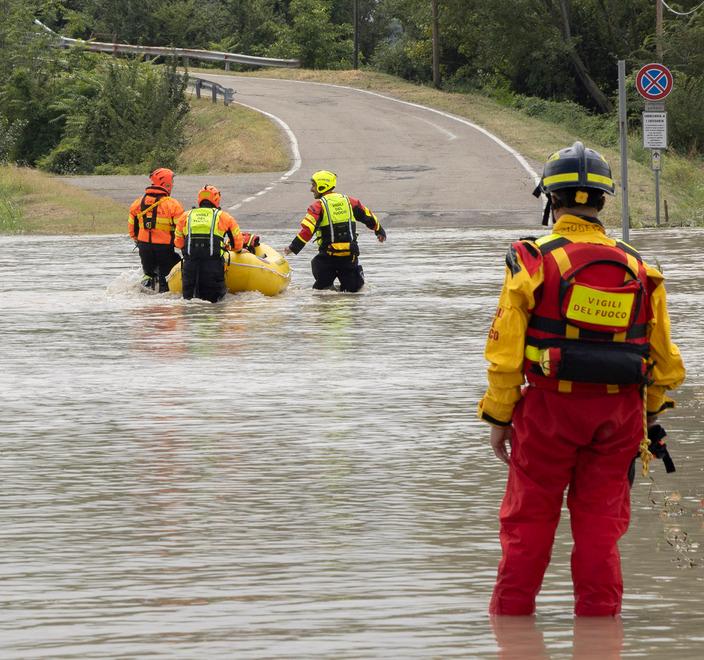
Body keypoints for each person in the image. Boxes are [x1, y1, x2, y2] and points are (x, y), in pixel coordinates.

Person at [478, 141, 685, 617]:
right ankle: (599, 633)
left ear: (551, 200)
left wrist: (499, 417)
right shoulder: (641, 267)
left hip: (549, 412)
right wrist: (648, 418)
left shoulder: (532, 260)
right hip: (619, 416)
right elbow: (665, 360)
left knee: (527, 524)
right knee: (600, 528)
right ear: (603, 201)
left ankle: (511, 629)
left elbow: (505, 352)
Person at [283, 170, 386, 292]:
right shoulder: (350, 202)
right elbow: (368, 216)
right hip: (349, 257)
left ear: (322, 186)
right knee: (354, 291)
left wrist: (292, 248)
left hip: (327, 258)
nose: (311, 189)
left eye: (313, 185)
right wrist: (379, 231)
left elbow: (307, 230)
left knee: (321, 291)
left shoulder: (317, 206)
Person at [174, 185, 243, 303]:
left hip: (190, 267)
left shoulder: (185, 216)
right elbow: (237, 244)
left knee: (189, 304)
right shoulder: (223, 217)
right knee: (214, 305)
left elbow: (178, 243)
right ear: (216, 199)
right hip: (213, 268)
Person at [129, 167, 185, 292]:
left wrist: (139, 241)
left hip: (144, 248)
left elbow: (132, 229)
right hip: (164, 250)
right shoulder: (173, 205)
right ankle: (163, 306)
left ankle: (146, 299)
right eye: (172, 182)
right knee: (166, 281)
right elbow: (182, 230)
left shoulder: (137, 203)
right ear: (166, 184)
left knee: (149, 275)